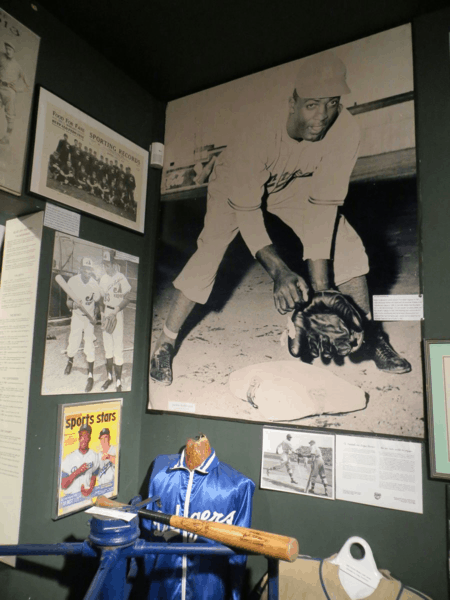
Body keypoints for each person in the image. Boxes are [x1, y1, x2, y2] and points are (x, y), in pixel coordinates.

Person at [150, 50, 411, 386]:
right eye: (312, 105)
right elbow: (247, 210)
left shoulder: (345, 129)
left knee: (345, 242)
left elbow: (323, 209)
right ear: (293, 102)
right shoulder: (257, 131)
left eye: (331, 103)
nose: (322, 116)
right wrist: (280, 271)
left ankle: (372, 336)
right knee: (209, 253)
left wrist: (322, 292)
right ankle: (166, 342)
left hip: (291, 182)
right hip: (237, 182)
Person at [63, 257, 101, 392]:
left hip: (89, 319)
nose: (87, 273)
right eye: (85, 269)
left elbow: (97, 303)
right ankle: (70, 361)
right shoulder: (73, 281)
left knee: (89, 344)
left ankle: (90, 376)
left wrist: (95, 315)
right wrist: (74, 304)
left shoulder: (95, 284)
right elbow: (67, 302)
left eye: (89, 270)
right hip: (77, 317)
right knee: (74, 342)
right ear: (80, 269)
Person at [99, 250, 132, 392]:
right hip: (106, 312)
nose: (107, 267)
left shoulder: (121, 278)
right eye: (105, 264)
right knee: (108, 348)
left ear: (114, 264)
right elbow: (100, 299)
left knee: (117, 347)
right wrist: (102, 314)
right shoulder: (103, 279)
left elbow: (127, 298)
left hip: (117, 313)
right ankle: (109, 378)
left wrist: (116, 310)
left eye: (109, 264)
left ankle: (118, 382)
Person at [0, 40, 29, 145]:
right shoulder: (1, 56)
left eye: (10, 49)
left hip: (9, 93)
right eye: (7, 49)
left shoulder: (17, 67)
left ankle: (7, 137)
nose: (8, 51)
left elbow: (28, 85)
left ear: (14, 51)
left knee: (10, 115)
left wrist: (18, 89)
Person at [60, 423, 100, 497]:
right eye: (82, 436)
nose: (84, 439)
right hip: (71, 500)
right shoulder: (69, 458)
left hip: (87, 499)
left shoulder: (94, 455)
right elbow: (63, 485)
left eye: (86, 436)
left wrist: (90, 488)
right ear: (79, 437)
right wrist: (78, 471)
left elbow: (94, 475)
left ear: (90, 438)